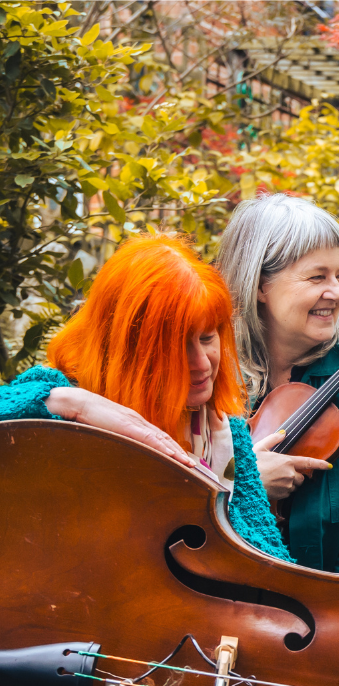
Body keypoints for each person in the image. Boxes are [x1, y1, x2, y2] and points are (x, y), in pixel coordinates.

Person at [0, 231, 290, 562]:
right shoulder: (57, 396)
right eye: (177, 347)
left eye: (207, 338)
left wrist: (213, 497)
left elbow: (268, 555)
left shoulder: (226, 432)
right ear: (128, 350)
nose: (202, 363)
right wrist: (73, 404)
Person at [215, 192, 339, 572]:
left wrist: (334, 595)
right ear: (260, 285)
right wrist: (241, 480)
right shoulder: (208, 359)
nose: (337, 292)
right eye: (317, 277)